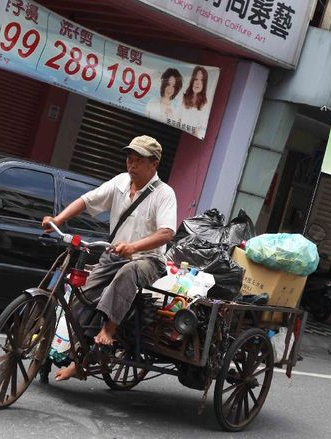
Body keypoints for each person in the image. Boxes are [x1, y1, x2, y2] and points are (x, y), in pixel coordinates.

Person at [42, 135, 177, 381]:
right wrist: (58, 220)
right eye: (129, 159)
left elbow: (166, 233)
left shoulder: (164, 194)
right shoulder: (120, 183)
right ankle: (74, 355)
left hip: (148, 260)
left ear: (154, 164)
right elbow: (87, 200)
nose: (132, 165)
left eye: (138, 161)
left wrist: (133, 247)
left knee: (127, 273)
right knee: (82, 298)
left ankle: (109, 329)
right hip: (114, 254)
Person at [178, 66, 209, 138]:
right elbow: (178, 120)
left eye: (201, 80)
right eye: (196, 79)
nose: (198, 83)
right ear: (192, 80)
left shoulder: (205, 104)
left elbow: (200, 129)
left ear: (204, 84)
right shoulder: (183, 98)